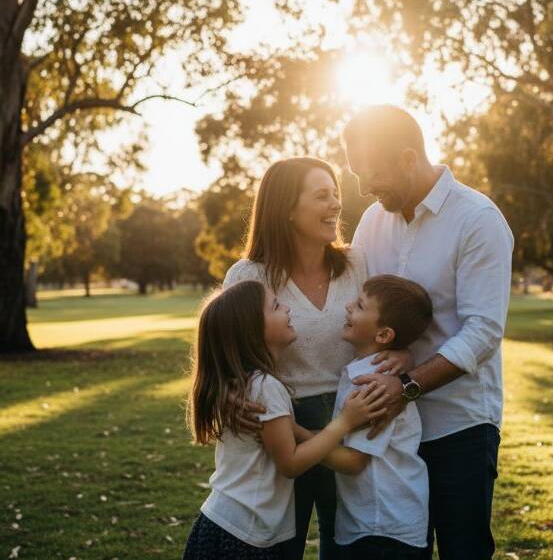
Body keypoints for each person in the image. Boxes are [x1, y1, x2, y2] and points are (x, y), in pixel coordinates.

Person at [343, 105, 514, 560]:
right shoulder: (371, 223)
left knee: (463, 551)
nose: (363, 188)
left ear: (406, 158)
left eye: (370, 173)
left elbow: (484, 331)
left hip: (459, 425)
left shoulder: (478, 219)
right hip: (391, 432)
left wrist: (407, 384)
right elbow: (358, 311)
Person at [222, 157, 373, 560]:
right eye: (322, 195)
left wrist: (401, 354)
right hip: (278, 426)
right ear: (287, 208)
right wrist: (230, 395)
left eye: (336, 193)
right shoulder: (247, 276)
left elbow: (385, 326)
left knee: (347, 545)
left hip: (351, 416)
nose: (336, 204)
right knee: (281, 548)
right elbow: (225, 357)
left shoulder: (357, 264)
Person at [182, 280, 388, 560]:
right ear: (252, 330)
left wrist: (300, 430)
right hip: (244, 535)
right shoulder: (265, 386)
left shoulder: (247, 384)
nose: (288, 309)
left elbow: (286, 441)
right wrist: (345, 422)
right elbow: (290, 463)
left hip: (225, 522)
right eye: (276, 306)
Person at [331, 275, 433, 559]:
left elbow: (353, 461)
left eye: (360, 306)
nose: (349, 307)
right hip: (372, 524)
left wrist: (293, 437)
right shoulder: (359, 371)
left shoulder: (373, 383)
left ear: (384, 335)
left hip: (384, 529)